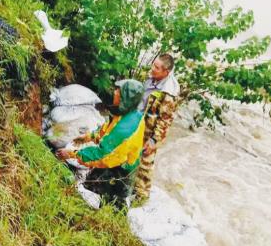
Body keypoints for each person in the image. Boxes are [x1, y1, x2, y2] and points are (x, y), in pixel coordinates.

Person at [57, 79, 145, 208]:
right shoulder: (129, 114)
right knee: (96, 187)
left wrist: (72, 154)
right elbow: (108, 131)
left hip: (121, 169)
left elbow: (102, 155)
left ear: (125, 98)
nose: (114, 92)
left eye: (118, 91)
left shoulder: (124, 129)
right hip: (119, 159)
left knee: (114, 202)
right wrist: (88, 137)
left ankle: (110, 220)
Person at [134, 53, 180, 202]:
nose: (152, 69)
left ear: (166, 72)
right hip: (137, 122)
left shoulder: (168, 94)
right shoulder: (152, 77)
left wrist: (154, 141)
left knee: (144, 166)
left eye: (157, 68)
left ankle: (141, 197)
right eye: (153, 64)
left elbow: (165, 121)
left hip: (149, 131)